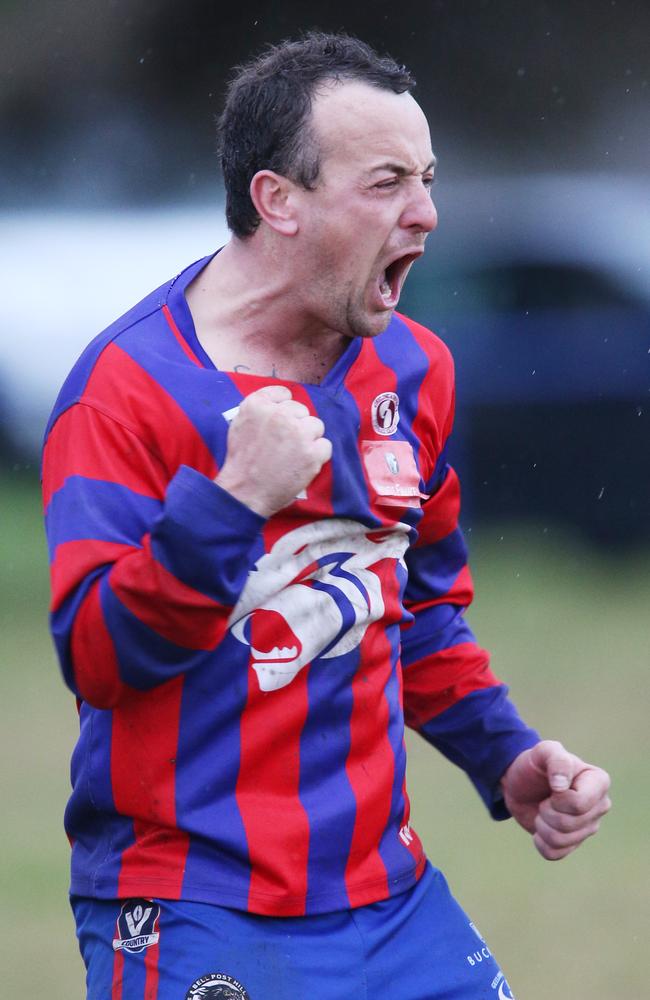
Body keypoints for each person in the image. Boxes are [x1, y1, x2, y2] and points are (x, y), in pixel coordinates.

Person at [42, 32, 611, 1000]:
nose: (425, 214)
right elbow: (97, 656)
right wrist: (230, 503)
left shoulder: (415, 369)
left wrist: (505, 752)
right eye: (386, 181)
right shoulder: (125, 390)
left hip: (388, 901)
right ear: (278, 201)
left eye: (426, 178)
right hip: (190, 903)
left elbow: (419, 609)